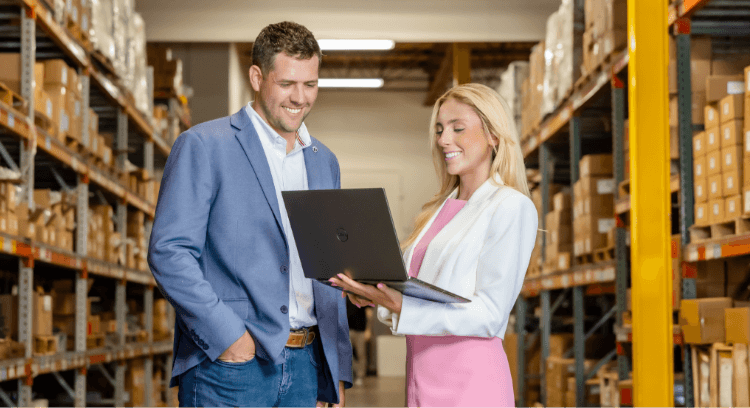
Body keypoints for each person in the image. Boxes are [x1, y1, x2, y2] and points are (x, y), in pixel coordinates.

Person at [148, 21, 352, 408]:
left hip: (308, 365)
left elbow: (329, 270)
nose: (300, 98)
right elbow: (169, 252)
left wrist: (334, 369)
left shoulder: (324, 161)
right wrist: (228, 337)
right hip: (231, 368)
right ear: (257, 77)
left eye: (310, 84)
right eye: (287, 83)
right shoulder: (205, 146)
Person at [330, 83, 537, 407]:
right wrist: (374, 293)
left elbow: (490, 315)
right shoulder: (438, 210)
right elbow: (422, 293)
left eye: (458, 128)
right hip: (421, 376)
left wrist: (401, 306)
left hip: (470, 382)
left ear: (493, 135)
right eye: (440, 129)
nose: (443, 139)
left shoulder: (510, 206)